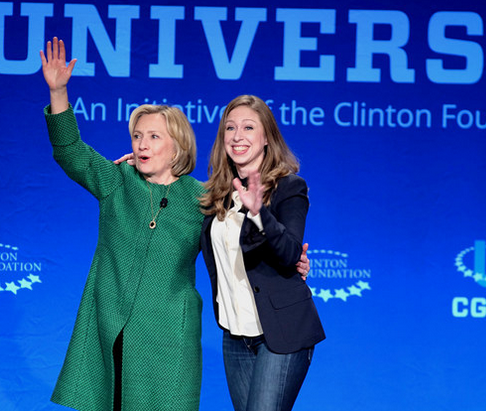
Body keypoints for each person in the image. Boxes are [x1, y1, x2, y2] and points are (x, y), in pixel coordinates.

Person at [40, 37, 206, 410]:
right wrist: (59, 92)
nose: (142, 144)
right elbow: (71, 152)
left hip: (169, 339)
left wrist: (290, 262)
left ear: (178, 145)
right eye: (137, 136)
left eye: (153, 137)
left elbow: (235, 248)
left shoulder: (203, 199)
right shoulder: (118, 181)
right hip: (110, 329)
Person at [199, 95, 326, 411]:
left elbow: (290, 253)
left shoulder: (289, 187)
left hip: (281, 332)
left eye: (248, 127)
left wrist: (259, 213)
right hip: (234, 337)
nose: (237, 136)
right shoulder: (215, 195)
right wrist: (139, 172)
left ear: (267, 137)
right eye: (230, 128)